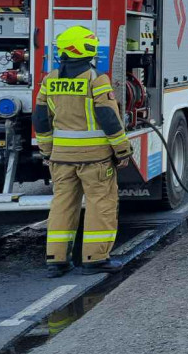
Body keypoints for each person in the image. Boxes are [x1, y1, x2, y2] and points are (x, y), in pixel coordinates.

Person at [34, 25, 132, 277]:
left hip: (61, 159)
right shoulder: (96, 80)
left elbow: (41, 120)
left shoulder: (49, 80)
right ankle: (94, 258)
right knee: (101, 204)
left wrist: (46, 151)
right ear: (86, 49)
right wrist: (122, 151)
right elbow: (109, 118)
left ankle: (56, 260)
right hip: (94, 160)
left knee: (62, 205)